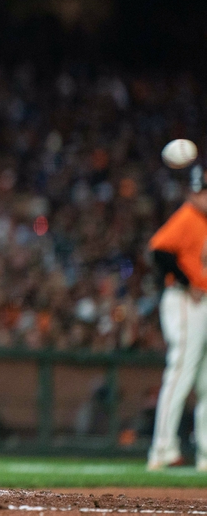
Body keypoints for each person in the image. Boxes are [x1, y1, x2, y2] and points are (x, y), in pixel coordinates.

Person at [146, 169, 207, 472]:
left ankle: (206, 454)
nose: (201, 197)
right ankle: (162, 449)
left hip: (203, 301)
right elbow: (159, 252)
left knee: (206, 380)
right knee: (181, 371)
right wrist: (186, 281)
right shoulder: (187, 216)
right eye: (199, 192)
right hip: (185, 302)